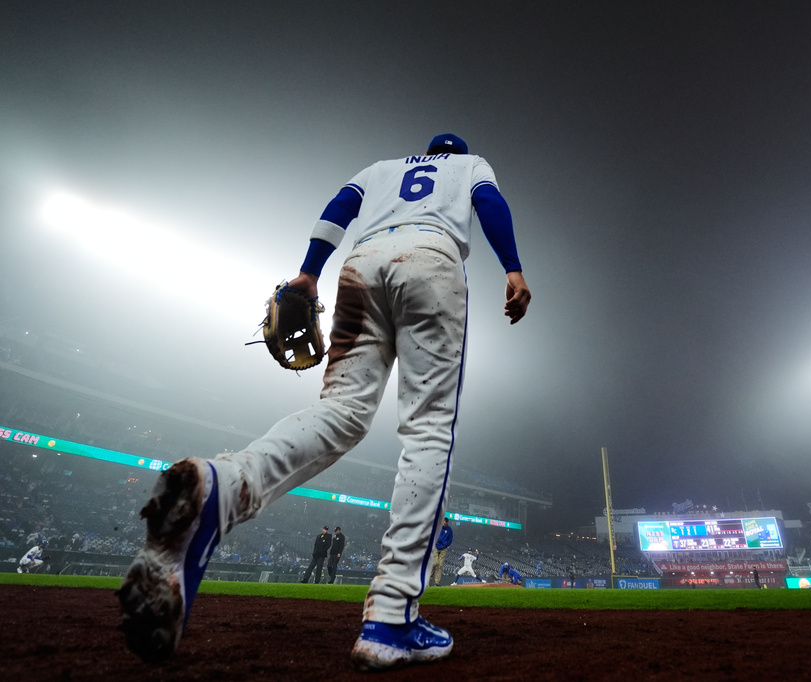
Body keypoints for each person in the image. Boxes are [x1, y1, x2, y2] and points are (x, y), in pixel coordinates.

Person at [116, 133, 532, 671]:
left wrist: (310, 269)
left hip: (361, 266)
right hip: (430, 259)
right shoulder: (469, 164)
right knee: (428, 428)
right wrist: (513, 266)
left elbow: (341, 204)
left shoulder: (382, 168)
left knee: (341, 410)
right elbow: (490, 203)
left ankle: (224, 486)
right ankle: (392, 616)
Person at [430, 517, 453, 587]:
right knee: (435, 563)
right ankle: (429, 578)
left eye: (446, 522)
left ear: (447, 522)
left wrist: (446, 544)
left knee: (440, 565)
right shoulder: (437, 527)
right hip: (436, 547)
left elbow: (450, 538)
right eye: (443, 522)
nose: (444, 523)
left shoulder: (449, 529)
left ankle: (437, 582)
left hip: (443, 548)